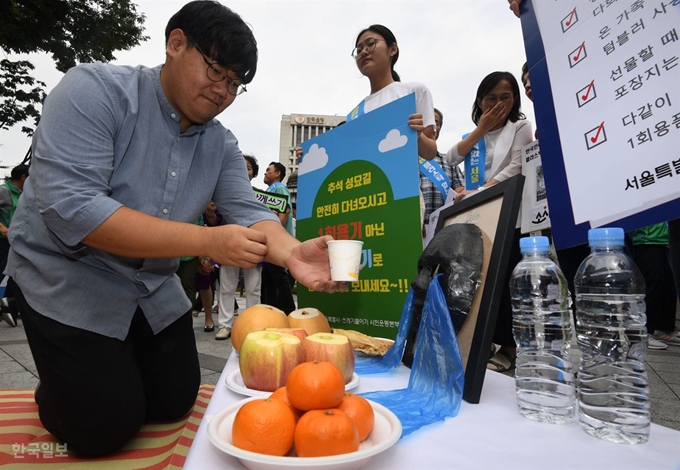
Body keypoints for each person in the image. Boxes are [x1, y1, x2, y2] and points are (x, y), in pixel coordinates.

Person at [6, 1, 341, 457]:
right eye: (216, 70)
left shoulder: (220, 143)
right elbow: (75, 211)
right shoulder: (94, 90)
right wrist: (207, 240)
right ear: (175, 43)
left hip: (148, 284)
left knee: (173, 400)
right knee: (102, 429)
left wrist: (291, 252)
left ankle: (103, 369)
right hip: (66, 277)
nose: (223, 91)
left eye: (235, 84)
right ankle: (62, 386)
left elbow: (246, 208)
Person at [446, 71, 533, 372]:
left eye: (505, 97)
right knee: (481, 282)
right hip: (479, 219)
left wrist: (479, 192)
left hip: (511, 216)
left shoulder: (521, 126)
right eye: (490, 97)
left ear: (515, 100)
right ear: (480, 101)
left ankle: (510, 347)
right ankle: (487, 341)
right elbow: (449, 160)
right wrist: (480, 129)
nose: (498, 103)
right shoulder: (475, 135)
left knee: (507, 280)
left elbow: (517, 165)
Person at [347, 24, 437, 161]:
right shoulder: (353, 115)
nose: (364, 52)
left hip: (398, 181)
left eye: (371, 44)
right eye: (359, 50)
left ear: (393, 49)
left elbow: (430, 152)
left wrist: (418, 136)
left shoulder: (414, 92)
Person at [216, 155, 263, 340]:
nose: (245, 170)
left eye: (249, 167)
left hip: (253, 245)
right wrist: (212, 213)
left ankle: (253, 325)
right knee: (227, 287)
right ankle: (225, 325)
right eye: (241, 166)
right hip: (230, 245)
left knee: (254, 287)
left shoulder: (261, 196)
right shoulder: (223, 194)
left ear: (253, 173)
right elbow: (216, 221)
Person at [420, 108, 464, 242]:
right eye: (427, 122)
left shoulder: (449, 160)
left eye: (436, 123)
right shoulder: (406, 161)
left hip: (444, 232)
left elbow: (459, 190)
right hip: (413, 230)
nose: (432, 126)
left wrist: (460, 194)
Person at [632, 223, 678, 348]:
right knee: (652, 287)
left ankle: (662, 328)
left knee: (666, 287)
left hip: (660, 239)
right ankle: (645, 331)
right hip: (646, 240)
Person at [260, 162, 297, 314]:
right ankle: (272, 311)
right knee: (269, 277)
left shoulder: (279, 188)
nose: (265, 173)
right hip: (270, 241)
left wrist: (275, 231)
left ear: (277, 174)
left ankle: (288, 310)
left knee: (278, 276)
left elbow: (285, 210)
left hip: (275, 241)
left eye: (268, 170)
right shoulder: (269, 190)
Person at [0, 164, 29, 327]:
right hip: (2, 242)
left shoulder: (24, 194)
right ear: (24, 177)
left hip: (16, 241)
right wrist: (2, 228)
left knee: (16, 274)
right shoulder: (4, 191)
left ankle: (10, 307)